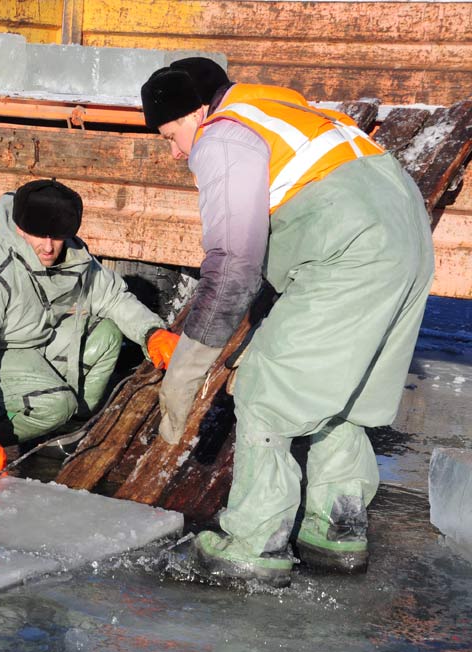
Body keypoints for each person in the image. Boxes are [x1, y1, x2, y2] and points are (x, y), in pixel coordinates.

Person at [140, 67, 434, 587]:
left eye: (170, 137)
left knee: (266, 389)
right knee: (341, 389)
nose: (176, 154)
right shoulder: (293, 112)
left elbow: (232, 263)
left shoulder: (223, 134)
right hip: (407, 248)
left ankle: (254, 544)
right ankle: (337, 527)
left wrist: (186, 369)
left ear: (193, 114)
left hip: (350, 253)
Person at [0, 179, 179, 475]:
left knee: (105, 335)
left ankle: (56, 431)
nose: (48, 247)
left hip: (29, 340)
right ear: (20, 228)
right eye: (38, 235)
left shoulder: (71, 256)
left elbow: (111, 297)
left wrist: (152, 333)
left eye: (57, 236)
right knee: (54, 403)